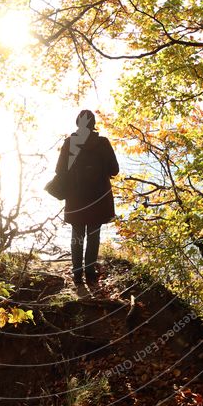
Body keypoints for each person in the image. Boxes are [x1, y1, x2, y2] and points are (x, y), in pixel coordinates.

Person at [55, 110, 119, 285]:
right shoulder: (103, 143)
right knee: (93, 234)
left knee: (77, 234)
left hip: (75, 197)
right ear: (93, 124)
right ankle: (90, 273)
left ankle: (77, 274)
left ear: (78, 123)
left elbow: (59, 170)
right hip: (98, 198)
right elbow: (114, 170)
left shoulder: (70, 143)